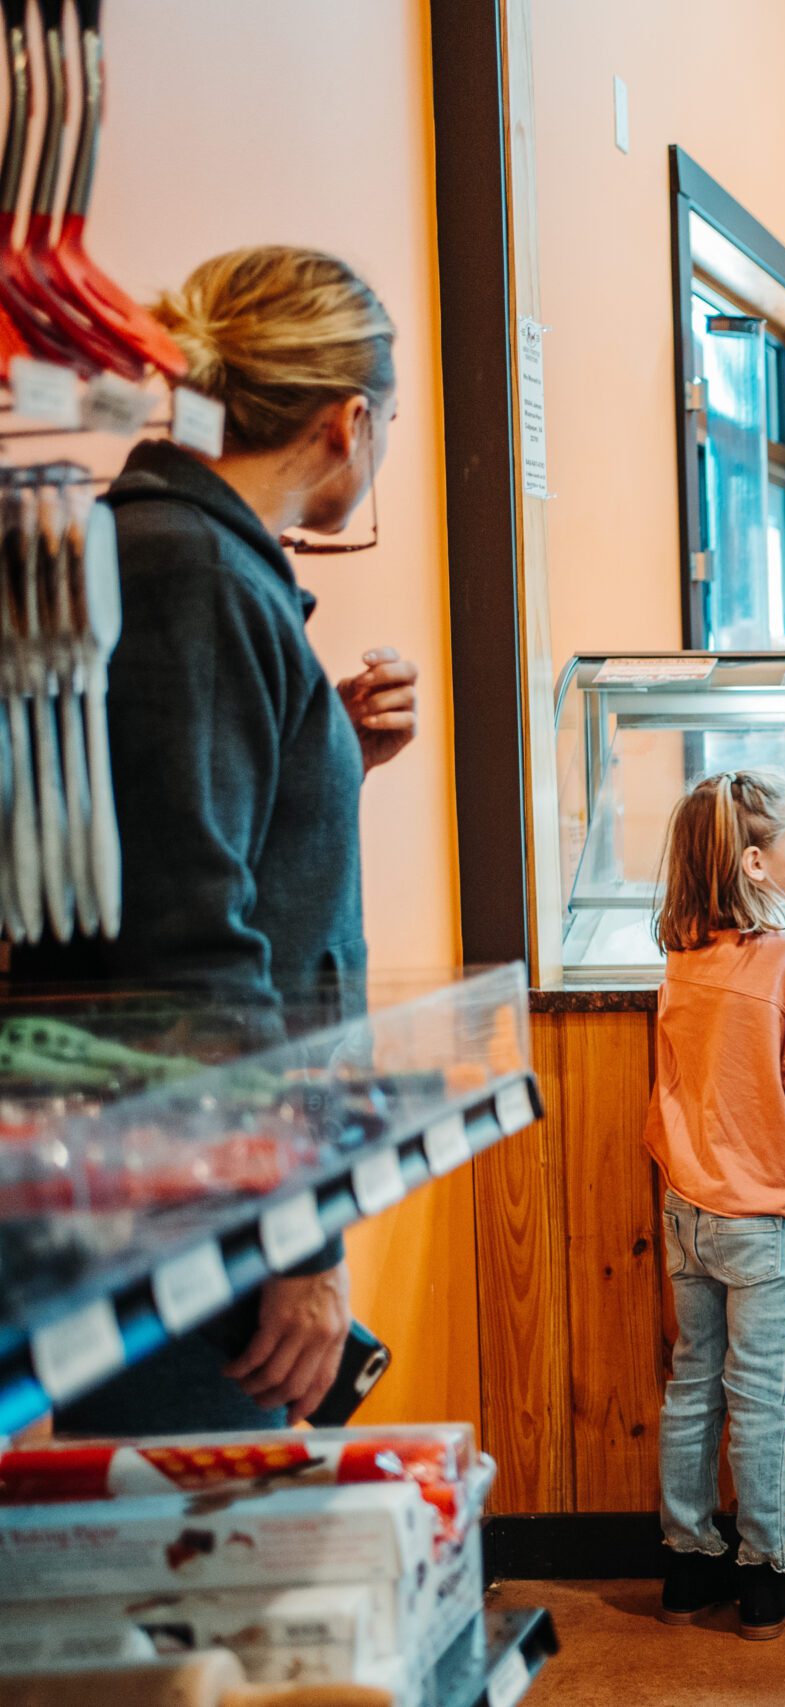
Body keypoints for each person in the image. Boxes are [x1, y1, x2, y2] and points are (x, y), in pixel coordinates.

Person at [24, 246, 421, 1435]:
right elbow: (196, 951)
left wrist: (327, 743)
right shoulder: (190, 570)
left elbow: (194, 828)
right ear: (350, 422)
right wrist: (299, 1238)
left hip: (183, 1171)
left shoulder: (188, 560)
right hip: (192, 1195)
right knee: (200, 1572)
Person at [645, 770, 785, 1641]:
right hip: (764, 1215)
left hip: (686, 1205)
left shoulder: (681, 957)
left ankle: (685, 1560)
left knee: (693, 1382)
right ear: (756, 863)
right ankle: (765, 1569)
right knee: (759, 1392)